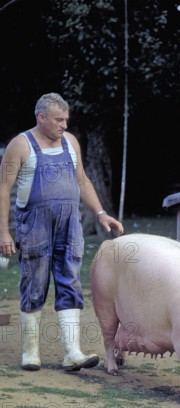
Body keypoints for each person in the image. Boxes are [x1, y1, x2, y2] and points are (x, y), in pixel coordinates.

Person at [0, 92, 124, 372]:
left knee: (69, 280)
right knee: (35, 283)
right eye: (59, 119)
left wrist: (101, 213)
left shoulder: (70, 143)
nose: (64, 125)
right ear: (41, 118)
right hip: (34, 224)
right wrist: (3, 233)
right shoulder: (20, 145)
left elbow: (81, 180)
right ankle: (30, 352)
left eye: (66, 119)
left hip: (70, 224)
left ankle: (72, 353)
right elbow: (3, 189)